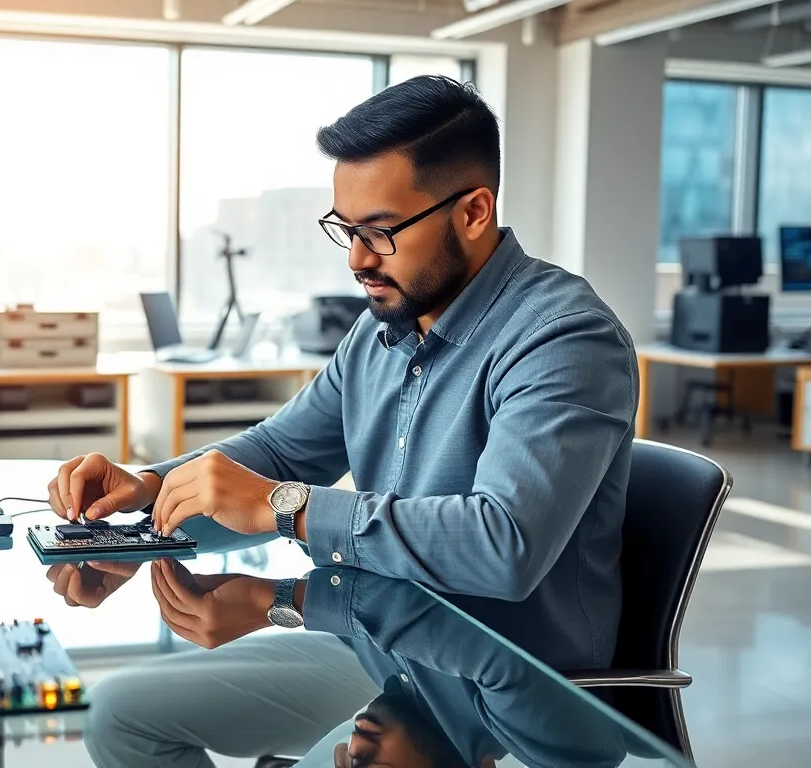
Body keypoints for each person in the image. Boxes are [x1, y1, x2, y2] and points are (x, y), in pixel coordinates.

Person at [45, 74, 638, 767]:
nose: (357, 259)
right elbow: (281, 452)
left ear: (474, 211)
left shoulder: (564, 337)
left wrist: (283, 519)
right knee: (119, 716)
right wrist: (146, 510)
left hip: (494, 697)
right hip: (382, 646)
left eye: (381, 232)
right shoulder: (380, 331)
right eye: (345, 230)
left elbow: (500, 545)